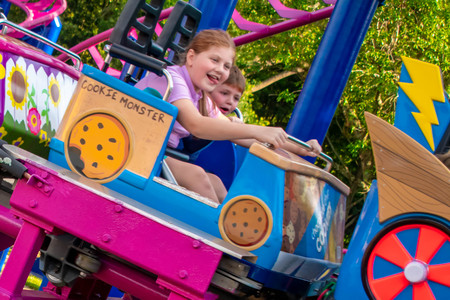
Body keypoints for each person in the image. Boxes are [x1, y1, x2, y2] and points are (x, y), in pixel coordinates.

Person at [135, 29, 320, 203]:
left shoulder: (200, 97)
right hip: (136, 147)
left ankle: (224, 233)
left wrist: (301, 148)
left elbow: (240, 135)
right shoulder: (174, 79)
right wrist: (257, 130)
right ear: (191, 57)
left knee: (215, 181)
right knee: (198, 176)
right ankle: (212, 233)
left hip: (157, 152)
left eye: (226, 66)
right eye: (214, 60)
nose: (220, 69)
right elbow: (196, 125)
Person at [209, 65, 322, 157]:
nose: (230, 101)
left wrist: (302, 148)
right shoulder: (201, 108)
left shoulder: (228, 125)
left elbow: (259, 140)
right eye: (224, 93)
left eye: (236, 98)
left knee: (216, 182)